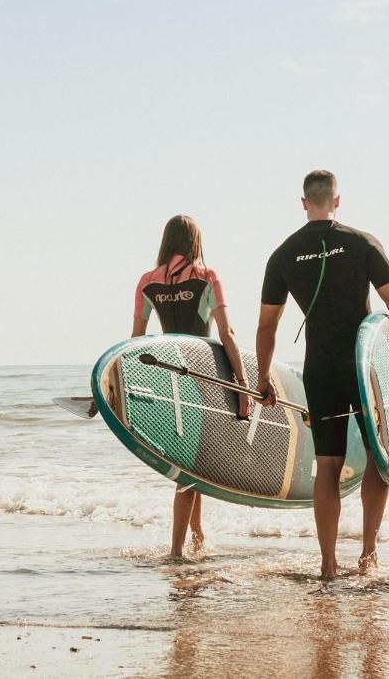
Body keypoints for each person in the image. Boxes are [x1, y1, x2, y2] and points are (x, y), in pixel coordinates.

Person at [255, 170, 389, 579]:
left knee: (327, 465)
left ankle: (328, 563)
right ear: (337, 200)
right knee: (376, 458)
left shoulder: (283, 255)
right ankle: (368, 555)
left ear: (303, 203)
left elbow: (266, 326)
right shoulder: (362, 242)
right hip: (364, 367)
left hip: (320, 367)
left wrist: (263, 377)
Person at [132, 214, 250, 559]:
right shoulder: (207, 277)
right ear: (195, 241)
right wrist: (242, 385)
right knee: (189, 467)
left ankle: (197, 535)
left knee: (193, 461)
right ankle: (176, 550)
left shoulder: (147, 281)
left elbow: (136, 339)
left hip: (168, 376)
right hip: (202, 377)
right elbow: (227, 333)